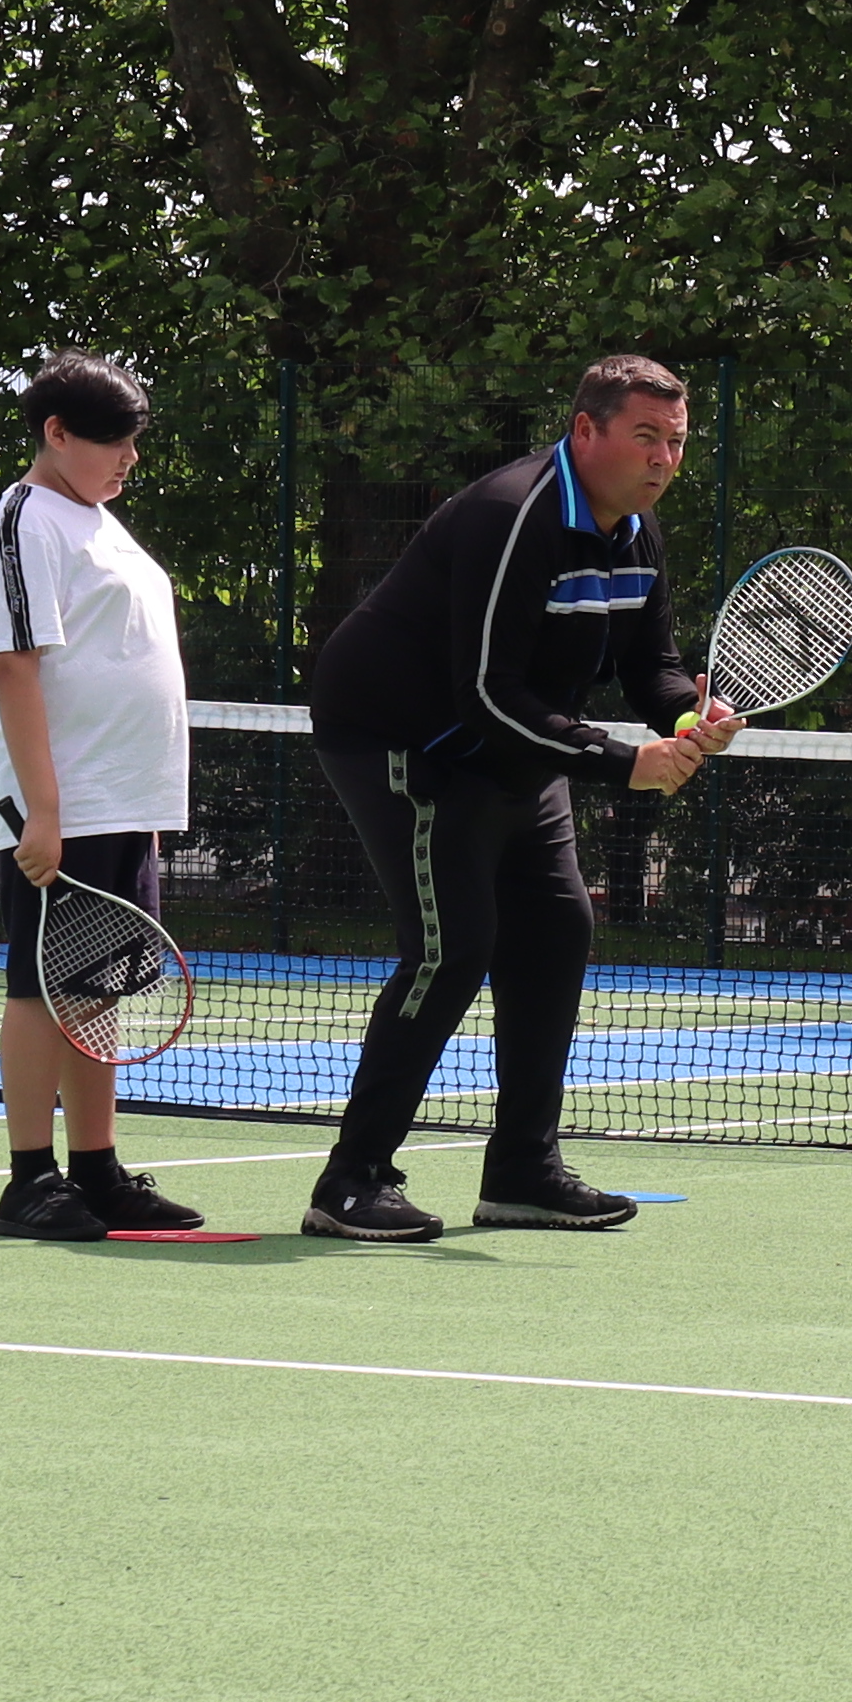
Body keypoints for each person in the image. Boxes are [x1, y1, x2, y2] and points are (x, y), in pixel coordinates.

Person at [297, 353, 738, 1240]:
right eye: (645, 436)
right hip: (404, 740)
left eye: (678, 442)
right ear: (587, 430)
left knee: (556, 930)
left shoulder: (637, 533)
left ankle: (523, 1173)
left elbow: (647, 664)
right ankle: (350, 1184)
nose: (663, 459)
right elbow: (488, 695)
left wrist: (688, 709)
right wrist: (623, 761)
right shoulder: (513, 516)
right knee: (452, 951)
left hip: (511, 752)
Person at [0, 354, 204, 1242]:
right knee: (40, 990)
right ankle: (29, 1182)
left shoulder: (99, 522)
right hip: (62, 806)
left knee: (92, 989)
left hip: (122, 802)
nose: (128, 458)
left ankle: (96, 1171)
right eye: (111, 441)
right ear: (56, 433)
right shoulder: (24, 523)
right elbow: (13, 666)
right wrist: (45, 812)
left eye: (134, 442)